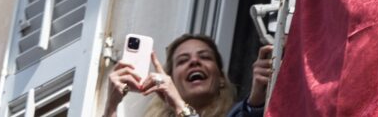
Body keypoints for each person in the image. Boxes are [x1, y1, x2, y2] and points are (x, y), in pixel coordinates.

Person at [103, 34, 273, 117]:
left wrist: (258, 96)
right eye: (183, 60)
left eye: (205, 57)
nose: (194, 62)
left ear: (221, 78)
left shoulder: (239, 113)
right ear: (172, 81)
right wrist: (111, 107)